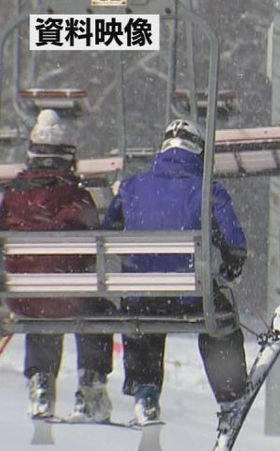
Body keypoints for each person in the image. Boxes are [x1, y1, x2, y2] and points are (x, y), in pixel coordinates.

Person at [103, 119, 248, 427]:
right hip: (191, 298)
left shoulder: (131, 187)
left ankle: (146, 392)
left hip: (143, 297)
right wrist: (230, 268)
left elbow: (107, 233)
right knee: (219, 322)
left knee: (144, 316)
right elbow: (235, 243)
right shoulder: (208, 189)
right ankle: (230, 397)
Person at [1, 110, 112, 421]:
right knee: (93, 306)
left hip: (24, 297)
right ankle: (90, 390)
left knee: (42, 303)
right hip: (69, 295)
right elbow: (92, 249)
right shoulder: (77, 197)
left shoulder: (11, 197)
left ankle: (41, 387)